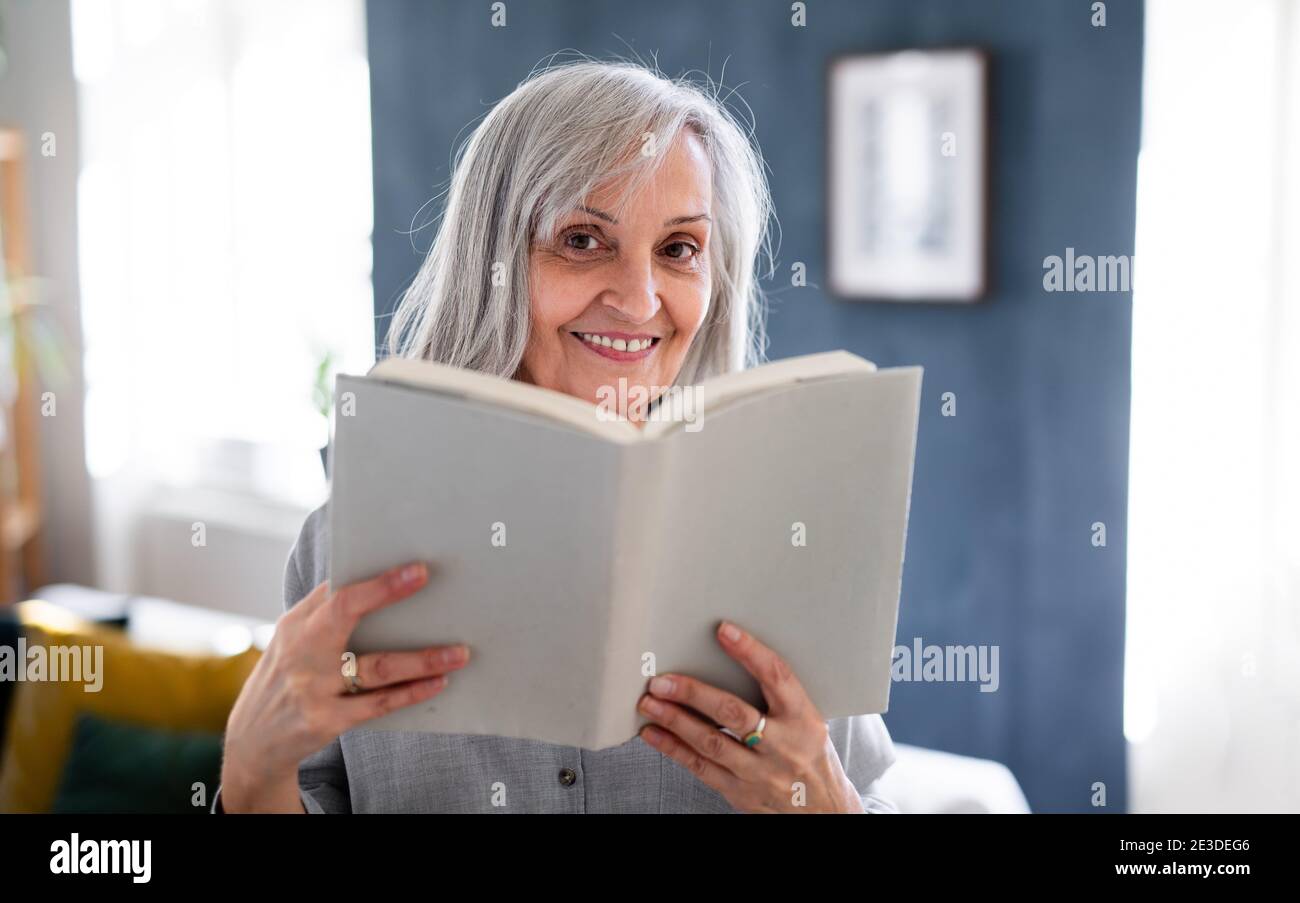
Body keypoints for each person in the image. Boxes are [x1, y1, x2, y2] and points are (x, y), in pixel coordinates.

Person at [217, 58, 897, 813]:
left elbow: (864, 795)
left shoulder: (789, 533)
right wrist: (249, 775)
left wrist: (827, 801)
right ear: (494, 264)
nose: (640, 302)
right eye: (581, 239)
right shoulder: (349, 544)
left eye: (678, 249)